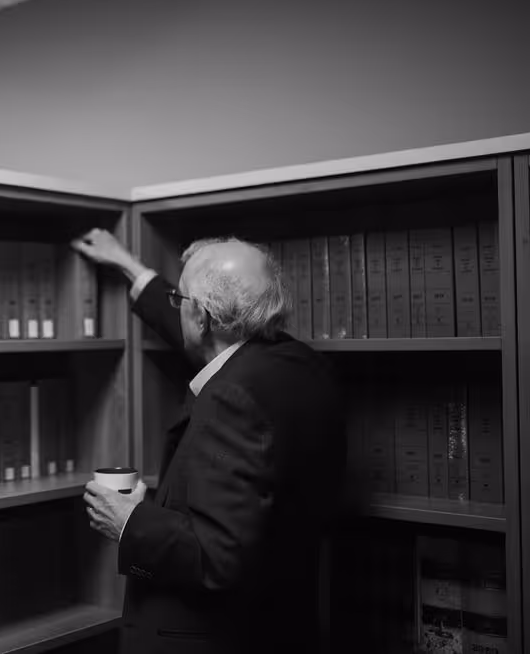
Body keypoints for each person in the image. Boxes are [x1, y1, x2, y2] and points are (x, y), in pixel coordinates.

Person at [74, 229, 346, 654]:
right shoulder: (302, 365)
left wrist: (129, 521)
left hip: (217, 637)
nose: (176, 308)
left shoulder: (232, 399)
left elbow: (221, 557)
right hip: (283, 623)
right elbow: (201, 335)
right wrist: (128, 265)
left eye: (180, 300)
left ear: (201, 318)